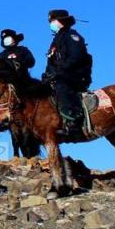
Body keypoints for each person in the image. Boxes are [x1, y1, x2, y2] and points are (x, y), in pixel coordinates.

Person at [41, 9, 93, 139]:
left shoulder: (72, 36)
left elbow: (76, 57)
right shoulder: (56, 40)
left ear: (60, 21)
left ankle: (74, 122)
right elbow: (51, 62)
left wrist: (59, 71)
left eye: (52, 20)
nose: (51, 23)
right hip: (59, 75)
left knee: (61, 86)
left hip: (75, 74)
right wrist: (47, 75)